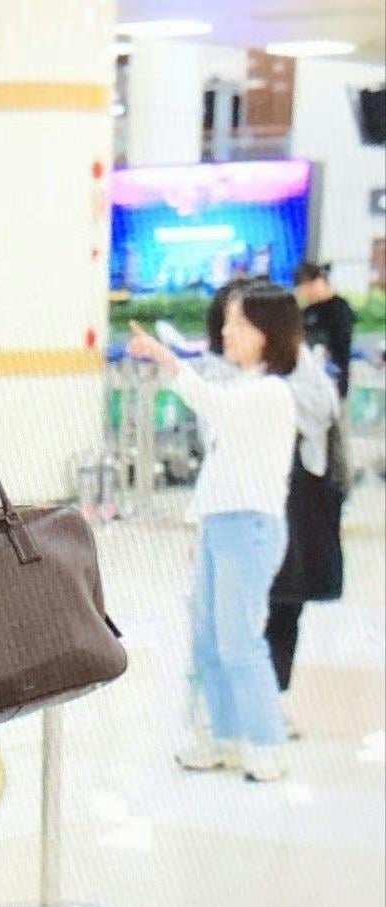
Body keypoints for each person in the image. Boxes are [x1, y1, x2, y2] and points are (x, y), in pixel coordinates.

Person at [128, 283, 300, 783]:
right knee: (208, 639)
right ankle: (225, 738)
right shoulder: (246, 385)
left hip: (249, 529)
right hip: (221, 525)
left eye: (239, 323)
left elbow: (213, 405)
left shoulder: (270, 392)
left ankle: (267, 745)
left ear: (268, 333)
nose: (227, 331)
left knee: (239, 640)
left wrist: (166, 358)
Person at [264, 343, 342, 729]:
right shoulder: (238, 374)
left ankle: (271, 700)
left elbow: (323, 411)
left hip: (297, 512)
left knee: (284, 604)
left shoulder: (303, 373)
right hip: (259, 513)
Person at [294, 262, 356, 400]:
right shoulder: (307, 312)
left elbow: (340, 344)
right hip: (307, 383)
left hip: (332, 382)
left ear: (319, 282)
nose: (306, 294)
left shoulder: (340, 309)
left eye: (308, 288)